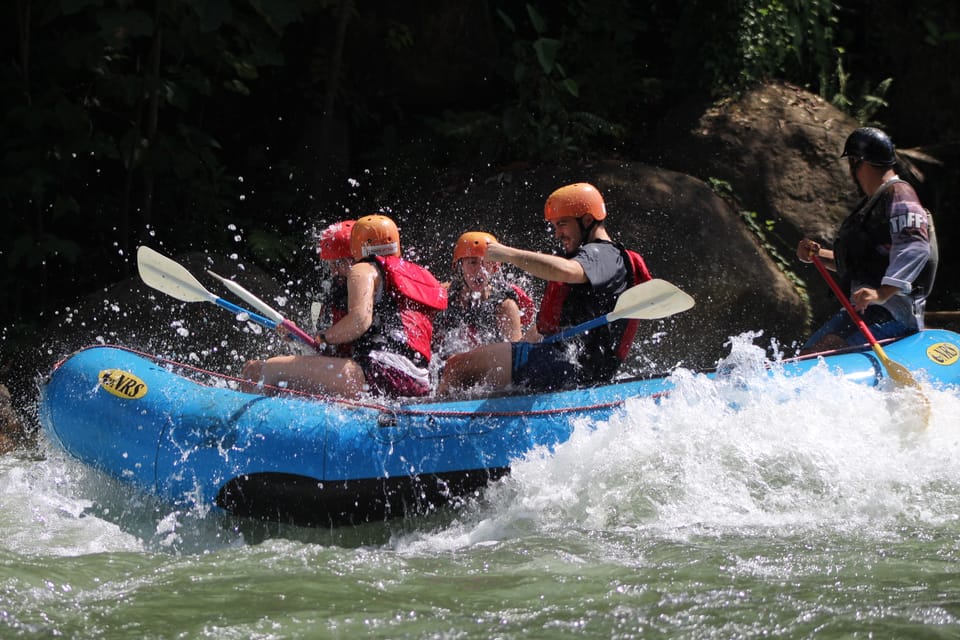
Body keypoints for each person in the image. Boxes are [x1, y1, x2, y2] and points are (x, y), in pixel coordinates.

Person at [438, 182, 649, 395]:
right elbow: (546, 327)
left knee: (456, 368)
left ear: (587, 220)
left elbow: (567, 271)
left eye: (562, 224)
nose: (558, 234)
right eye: (555, 226)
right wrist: (516, 349)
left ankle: (431, 421)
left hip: (567, 365)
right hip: (566, 362)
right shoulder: (595, 258)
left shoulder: (603, 255)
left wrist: (508, 254)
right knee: (475, 373)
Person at [242, 214, 448, 398]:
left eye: (338, 263)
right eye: (329, 265)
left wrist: (323, 337)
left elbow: (359, 321)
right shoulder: (409, 280)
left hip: (380, 372)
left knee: (266, 369)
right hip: (417, 379)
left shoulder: (364, 269)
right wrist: (300, 338)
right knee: (267, 371)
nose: (333, 272)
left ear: (355, 253)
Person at [796, 126, 938, 354]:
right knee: (807, 355)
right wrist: (816, 255)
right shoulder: (873, 202)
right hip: (866, 310)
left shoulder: (899, 194)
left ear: (857, 162)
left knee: (823, 351)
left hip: (892, 313)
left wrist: (883, 292)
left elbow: (915, 247)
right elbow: (860, 265)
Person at [433, 231, 535, 359]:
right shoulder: (442, 295)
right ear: (460, 266)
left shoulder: (505, 307)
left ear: (495, 268)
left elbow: (515, 360)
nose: (481, 270)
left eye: (487, 263)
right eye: (472, 262)